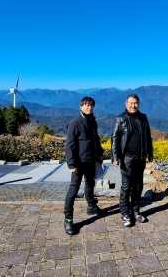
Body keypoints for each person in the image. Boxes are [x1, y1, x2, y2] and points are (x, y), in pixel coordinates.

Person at [63, 96, 104, 235]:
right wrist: (71, 163)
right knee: (73, 190)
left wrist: (99, 155)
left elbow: (96, 140)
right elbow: (69, 145)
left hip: (91, 161)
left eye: (91, 105)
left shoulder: (93, 121)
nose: (89, 107)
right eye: (86, 105)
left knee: (90, 184)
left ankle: (91, 206)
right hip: (78, 163)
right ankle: (68, 219)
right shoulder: (75, 123)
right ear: (81, 106)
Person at [112, 94, 153, 227]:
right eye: (130, 103)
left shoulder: (143, 117)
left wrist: (150, 153)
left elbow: (148, 136)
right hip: (127, 158)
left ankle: (136, 211)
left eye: (135, 103)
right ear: (126, 104)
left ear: (138, 104)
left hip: (140, 158)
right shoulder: (121, 118)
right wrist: (115, 157)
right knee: (126, 186)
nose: (133, 105)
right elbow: (115, 138)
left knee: (138, 186)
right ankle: (125, 213)